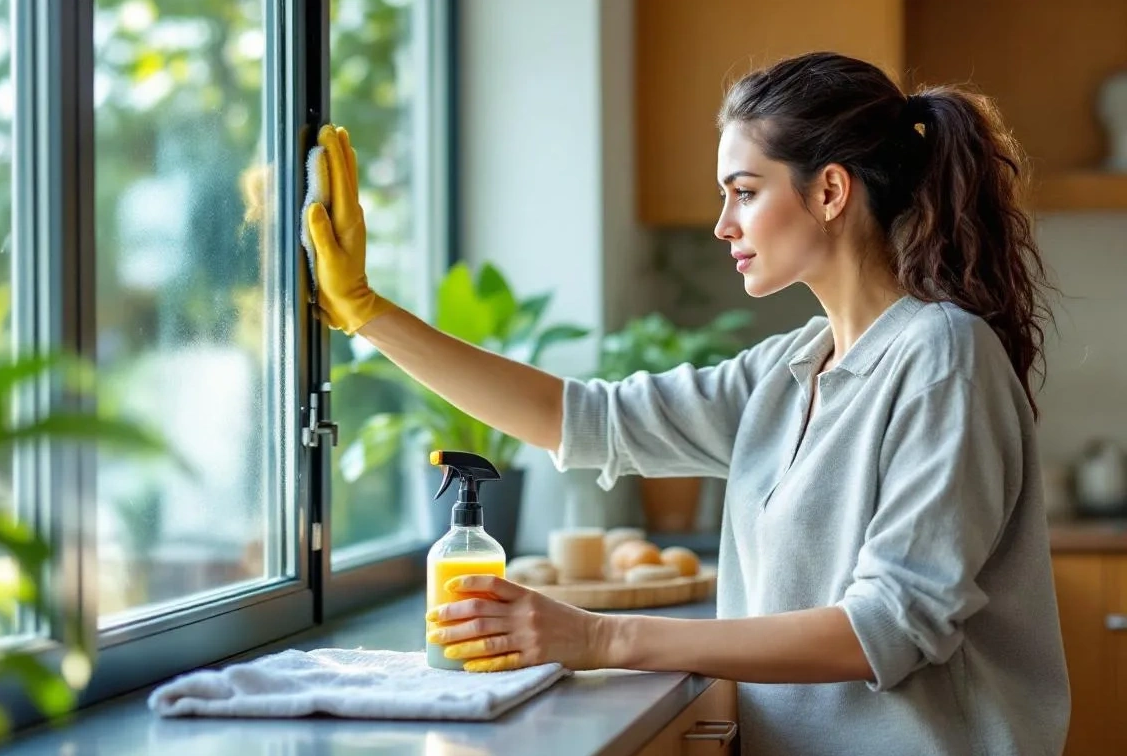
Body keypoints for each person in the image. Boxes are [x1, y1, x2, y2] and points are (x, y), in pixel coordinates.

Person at [304, 51, 1069, 756]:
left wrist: (602, 640)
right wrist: (368, 312)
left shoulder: (943, 357)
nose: (723, 224)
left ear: (830, 190)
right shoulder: (790, 368)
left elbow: (883, 630)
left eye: (744, 192)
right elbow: (580, 420)